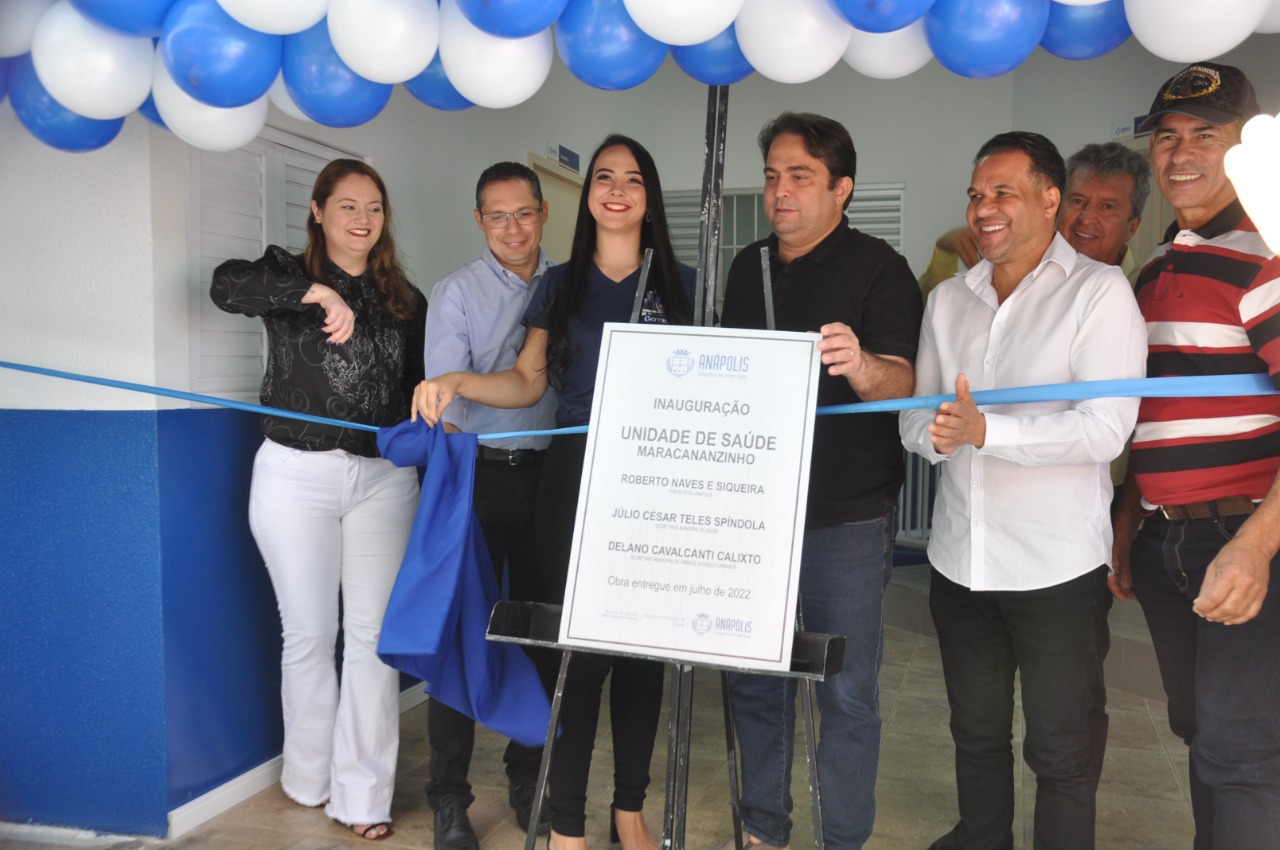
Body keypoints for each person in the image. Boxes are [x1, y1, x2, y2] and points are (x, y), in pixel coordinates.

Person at [411, 134, 696, 850]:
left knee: (642, 653)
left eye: (634, 177)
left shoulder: (685, 284)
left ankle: (629, 810)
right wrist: (456, 382)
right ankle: (566, 821)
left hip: (654, 481)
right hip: (573, 487)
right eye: (604, 176)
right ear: (587, 193)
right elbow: (528, 382)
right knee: (575, 654)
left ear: (649, 195)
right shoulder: (559, 284)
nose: (617, 189)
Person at [899, 131, 1146, 850]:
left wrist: (987, 432)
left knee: (1061, 748)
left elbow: (1105, 431)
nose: (984, 209)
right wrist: (936, 435)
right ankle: (983, 838)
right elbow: (916, 416)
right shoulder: (949, 298)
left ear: (1048, 200)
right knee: (974, 733)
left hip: (1055, 570)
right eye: (977, 195)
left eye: (1003, 192)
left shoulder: (1099, 295)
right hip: (959, 562)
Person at [719, 112, 924, 850]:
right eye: (772, 176)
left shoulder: (880, 269)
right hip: (753, 516)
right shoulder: (747, 268)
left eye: (799, 176)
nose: (779, 192)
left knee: (844, 691)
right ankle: (763, 830)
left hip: (844, 518)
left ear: (842, 188)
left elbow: (903, 379)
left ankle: (844, 839)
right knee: (754, 681)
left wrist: (859, 363)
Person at [210, 159, 427, 842]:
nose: (363, 220)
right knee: (309, 635)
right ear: (317, 210)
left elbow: (415, 387)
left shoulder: (405, 300)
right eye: (347, 207)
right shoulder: (281, 274)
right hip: (294, 477)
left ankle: (363, 796)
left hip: (383, 482)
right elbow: (223, 286)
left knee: (370, 640)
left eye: (374, 208)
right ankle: (308, 778)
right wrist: (315, 293)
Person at [1111, 62, 1280, 850]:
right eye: (1167, 137)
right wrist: (1129, 525)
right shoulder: (1156, 269)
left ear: (1243, 147)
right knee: (1203, 736)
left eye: (1204, 137)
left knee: (1239, 754)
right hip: (1168, 543)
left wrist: (1256, 545)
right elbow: (1154, 415)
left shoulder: (1266, 258)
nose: (1179, 154)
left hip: (1241, 539)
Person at [422, 162, 558, 850]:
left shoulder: (567, 287)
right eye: (497, 215)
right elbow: (447, 407)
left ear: (543, 214)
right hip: (476, 477)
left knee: (538, 632)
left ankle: (530, 773)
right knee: (462, 633)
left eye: (524, 213)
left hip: (551, 482)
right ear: (480, 220)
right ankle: (449, 796)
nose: (512, 227)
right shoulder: (456, 292)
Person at [917, 141, 1151, 298]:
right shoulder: (1016, 263)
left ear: (1133, 226)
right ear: (1055, 203)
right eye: (1077, 201)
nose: (1086, 217)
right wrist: (944, 252)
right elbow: (928, 315)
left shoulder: (1145, 288)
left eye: (1107, 207)